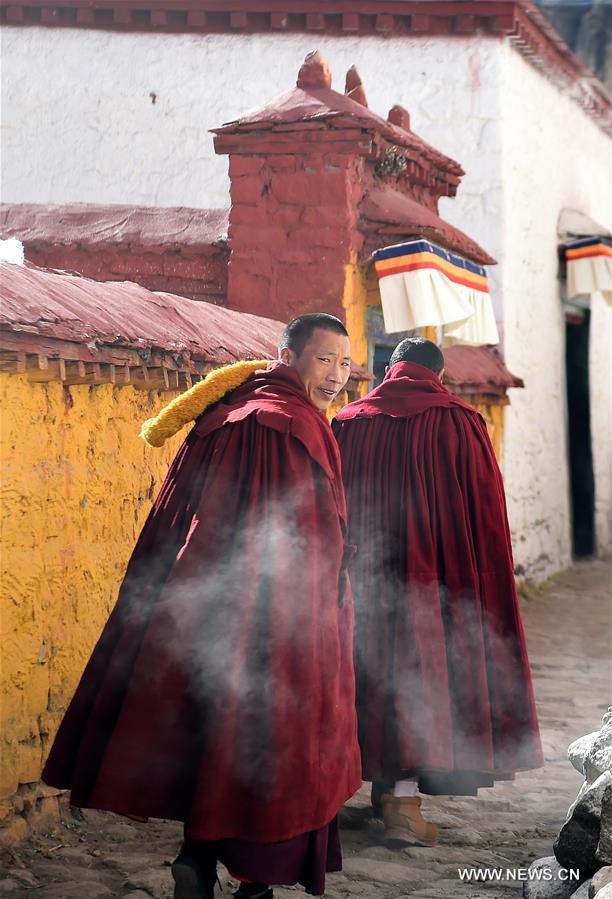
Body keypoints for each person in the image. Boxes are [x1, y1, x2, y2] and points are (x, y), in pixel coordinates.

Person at [42, 313, 361, 899]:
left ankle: (196, 855)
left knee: (211, 729)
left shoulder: (223, 415)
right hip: (271, 618)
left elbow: (174, 519)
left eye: (345, 363)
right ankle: (255, 884)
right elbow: (311, 545)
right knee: (269, 740)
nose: (337, 375)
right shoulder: (295, 426)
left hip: (197, 605)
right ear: (287, 358)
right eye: (324, 359)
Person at [333, 337, 543, 847]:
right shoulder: (462, 422)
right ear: (440, 376)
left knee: (366, 674)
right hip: (438, 583)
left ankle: (375, 790)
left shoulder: (347, 421)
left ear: (387, 371)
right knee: (422, 677)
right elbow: (485, 519)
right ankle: (402, 806)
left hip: (363, 578)